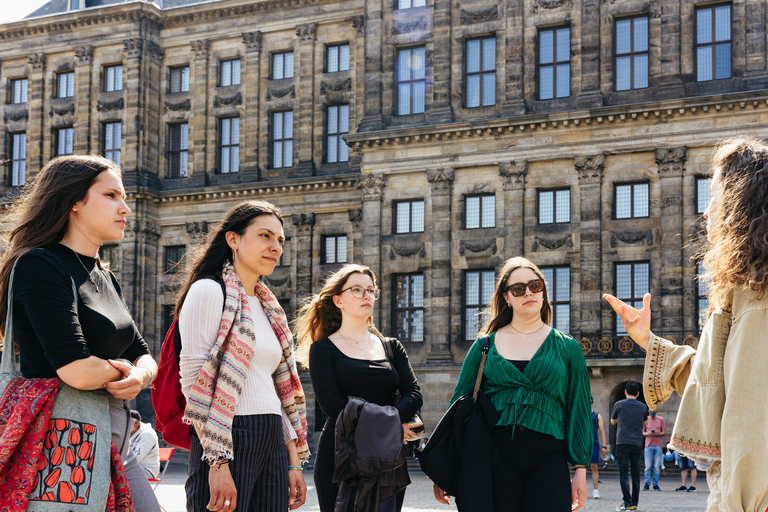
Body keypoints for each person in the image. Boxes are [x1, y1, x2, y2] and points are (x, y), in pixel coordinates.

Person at [604, 137, 768, 512]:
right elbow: (715, 381)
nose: (706, 213)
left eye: (713, 198)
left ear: (738, 206)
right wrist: (648, 340)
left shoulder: (757, 298)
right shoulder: (746, 287)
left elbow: (750, 425)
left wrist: (734, 505)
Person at [0, 155, 161, 512]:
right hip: (63, 439)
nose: (126, 208)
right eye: (111, 196)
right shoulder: (40, 264)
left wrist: (140, 373)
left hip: (114, 435)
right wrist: (128, 371)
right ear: (75, 201)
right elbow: (75, 369)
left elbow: (143, 352)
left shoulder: (104, 275)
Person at [176, 200, 309, 512]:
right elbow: (194, 380)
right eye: (265, 236)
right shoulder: (209, 291)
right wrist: (217, 463)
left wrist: (293, 462)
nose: (275, 247)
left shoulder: (267, 306)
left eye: (280, 240)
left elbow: (276, 389)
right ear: (233, 239)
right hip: (227, 435)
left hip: (272, 436)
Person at [432, 257, 593, 511]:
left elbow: (579, 410)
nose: (528, 292)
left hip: (549, 457)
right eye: (518, 289)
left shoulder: (567, 347)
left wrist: (581, 471)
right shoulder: (484, 346)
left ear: (543, 291)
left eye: (535, 285)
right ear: (507, 297)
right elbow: (457, 408)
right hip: (494, 456)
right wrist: (445, 469)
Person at [296, 264, 423, 512]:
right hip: (340, 452)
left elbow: (414, 393)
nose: (367, 296)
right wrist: (392, 423)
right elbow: (333, 405)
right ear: (338, 300)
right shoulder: (323, 349)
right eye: (357, 290)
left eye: (370, 290)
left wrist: (392, 422)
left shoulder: (391, 347)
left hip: (388, 455)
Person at [610, 381, 648, 511]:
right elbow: (645, 424)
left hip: (622, 442)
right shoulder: (643, 407)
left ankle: (627, 502)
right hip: (637, 443)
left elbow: (612, 421)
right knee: (636, 475)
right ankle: (635, 502)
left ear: (625, 391)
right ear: (638, 393)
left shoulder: (618, 404)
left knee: (623, 474)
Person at [129, 409, 161, 480]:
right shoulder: (128, 432)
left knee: (116, 474)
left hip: (147, 470)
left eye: (127, 423)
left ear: (136, 423)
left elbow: (137, 457)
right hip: (132, 468)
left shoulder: (147, 434)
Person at [642, 410, 665, 491]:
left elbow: (664, 432)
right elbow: (642, 432)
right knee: (647, 466)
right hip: (648, 445)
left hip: (658, 445)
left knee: (657, 467)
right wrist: (648, 433)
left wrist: (657, 434)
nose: (651, 415)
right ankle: (647, 483)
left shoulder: (661, 419)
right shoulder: (646, 419)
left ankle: (655, 484)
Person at [590, 396, 607, 499]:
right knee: (580, 467)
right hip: (583, 444)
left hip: (594, 444)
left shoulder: (597, 416)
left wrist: (604, 446)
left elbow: (602, 432)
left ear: (591, 403)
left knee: (594, 467)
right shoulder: (579, 415)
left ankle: (595, 490)